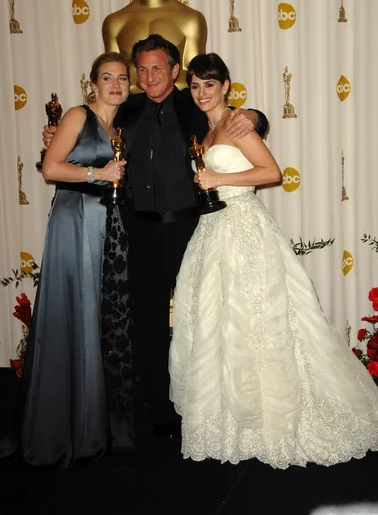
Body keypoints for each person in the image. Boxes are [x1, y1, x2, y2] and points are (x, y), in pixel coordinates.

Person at [42, 34, 269, 440]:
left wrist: (255, 117)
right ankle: (159, 412)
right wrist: (54, 134)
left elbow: (231, 119)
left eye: (157, 69)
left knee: (197, 319)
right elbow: (88, 136)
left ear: (175, 71)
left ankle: (204, 406)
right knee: (144, 321)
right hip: (136, 229)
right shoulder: (124, 108)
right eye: (142, 70)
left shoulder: (194, 104)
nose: (148, 77)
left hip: (190, 228)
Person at [169, 52, 378, 468]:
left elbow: (271, 172)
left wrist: (219, 178)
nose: (201, 93)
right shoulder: (207, 133)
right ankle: (233, 420)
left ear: (226, 85)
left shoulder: (235, 122)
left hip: (244, 227)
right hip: (213, 231)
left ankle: (276, 420)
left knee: (261, 322)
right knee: (223, 325)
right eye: (194, 86)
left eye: (209, 84)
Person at [21, 52, 130, 467]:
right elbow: (51, 168)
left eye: (122, 78)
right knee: (76, 313)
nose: (116, 84)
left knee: (95, 317)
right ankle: (66, 430)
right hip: (74, 219)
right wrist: (98, 175)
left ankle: (90, 424)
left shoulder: (115, 127)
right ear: (93, 85)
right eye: (107, 77)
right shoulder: (76, 116)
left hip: (104, 223)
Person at [102, 0, 207, 93]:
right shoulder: (114, 23)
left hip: (175, 110)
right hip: (128, 112)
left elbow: (195, 79)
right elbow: (110, 75)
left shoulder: (190, 20)